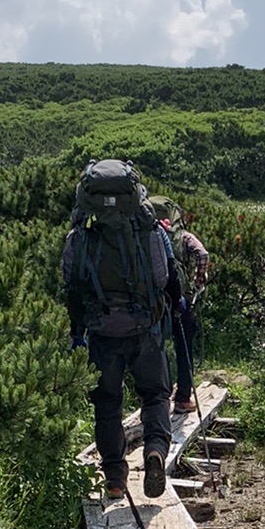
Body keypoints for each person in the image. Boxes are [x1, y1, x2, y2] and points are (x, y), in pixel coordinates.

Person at [63, 159, 177, 501]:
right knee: (155, 395)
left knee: (107, 404)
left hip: (101, 332)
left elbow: (71, 284)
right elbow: (163, 278)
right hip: (144, 328)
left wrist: (77, 331)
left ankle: (114, 476)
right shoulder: (151, 233)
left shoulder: (78, 237)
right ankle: (155, 449)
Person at [148, 197, 210, 414]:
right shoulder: (182, 236)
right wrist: (198, 281)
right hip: (179, 301)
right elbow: (202, 254)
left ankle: (157, 400)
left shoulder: (143, 235)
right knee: (184, 347)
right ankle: (183, 398)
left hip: (151, 304)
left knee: (155, 349)